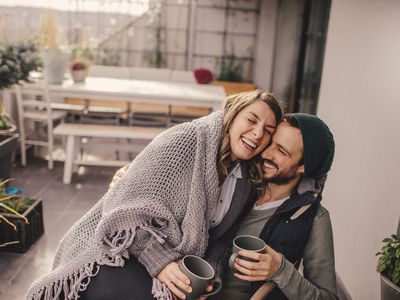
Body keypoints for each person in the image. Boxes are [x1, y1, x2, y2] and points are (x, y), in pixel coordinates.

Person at [26, 90, 283, 300]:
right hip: (117, 248)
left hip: (177, 260)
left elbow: (223, 240)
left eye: (268, 130)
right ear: (233, 115)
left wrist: (209, 276)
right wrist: (161, 262)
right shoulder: (187, 140)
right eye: (251, 120)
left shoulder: (246, 182)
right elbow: (122, 209)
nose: (258, 133)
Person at [207, 113, 337, 299]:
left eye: (281, 151)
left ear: (304, 167)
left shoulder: (314, 218)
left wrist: (281, 271)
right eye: (270, 144)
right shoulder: (235, 182)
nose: (266, 154)